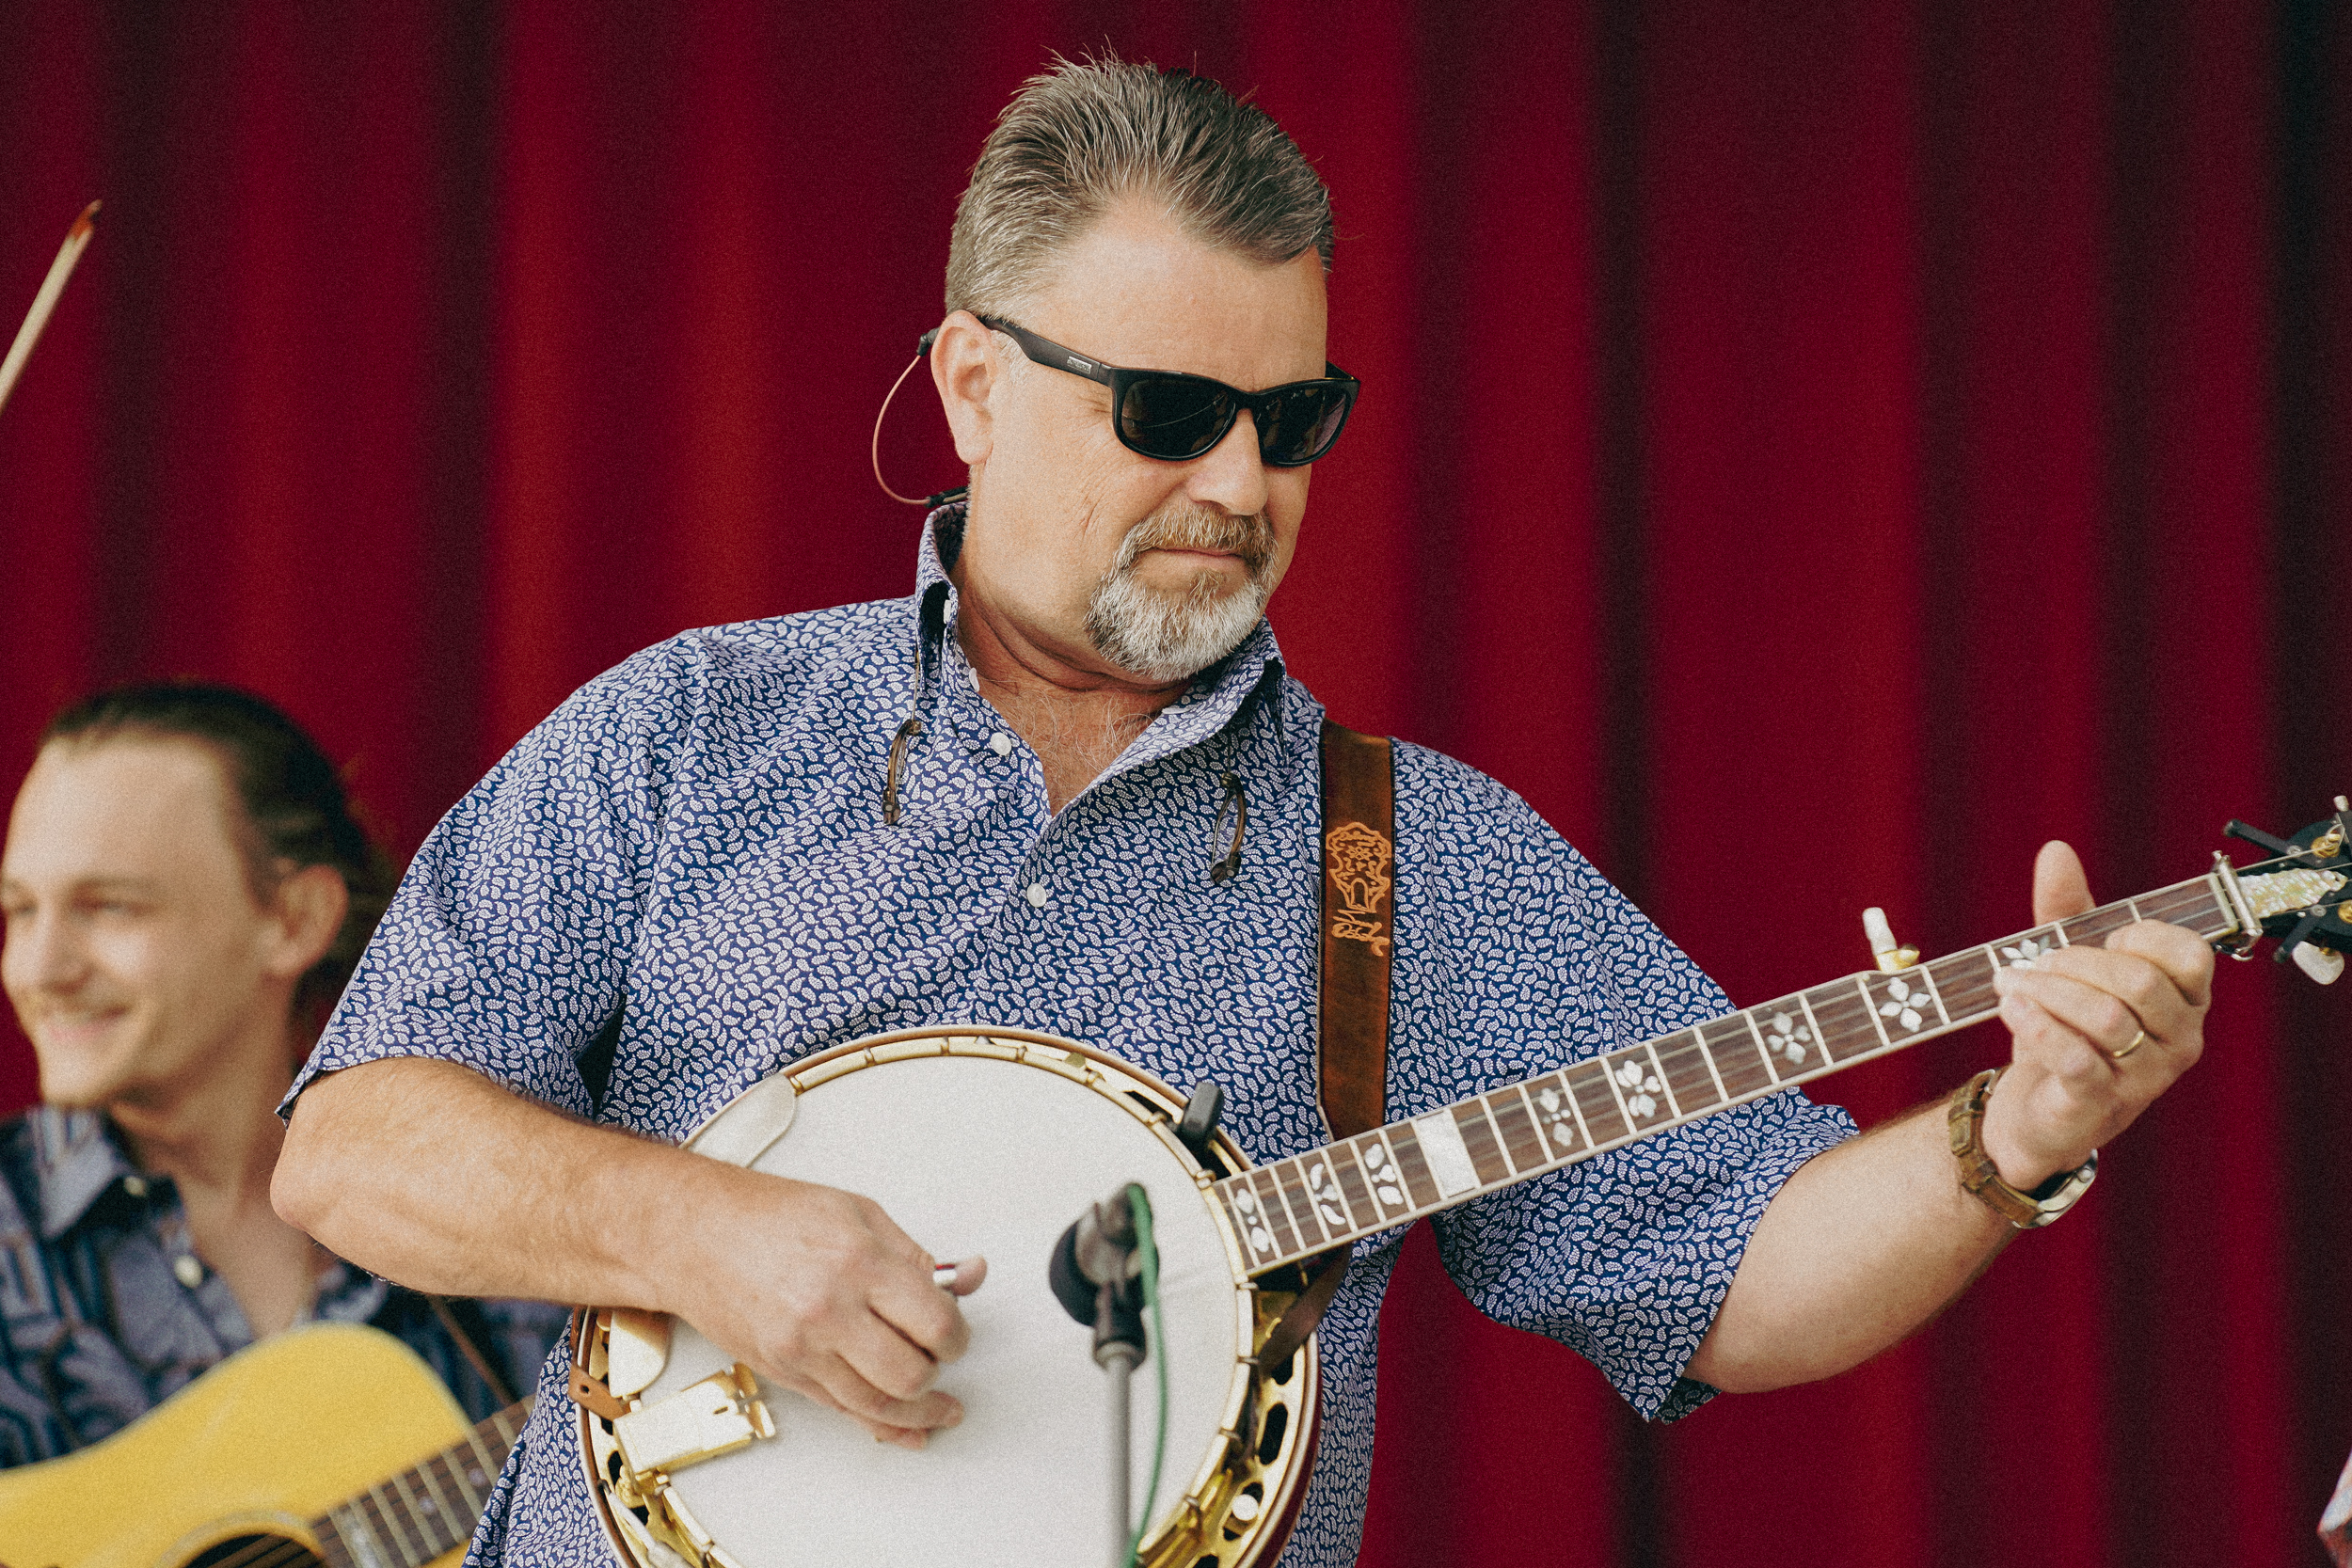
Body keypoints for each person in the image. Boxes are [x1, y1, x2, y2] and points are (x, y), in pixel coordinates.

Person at [271, 55, 2213, 1568]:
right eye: (1163, 412)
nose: (1235, 480)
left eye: (1286, 423)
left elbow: (1734, 1264)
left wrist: (2008, 1131)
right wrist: (703, 1230)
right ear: (969, 382)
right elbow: (355, 1146)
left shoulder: (1410, 859)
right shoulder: (693, 730)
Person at [0, 683, 566, 1465]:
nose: (41, 967)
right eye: (21, 910)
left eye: (109, 907)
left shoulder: (486, 1195)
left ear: (294, 920)